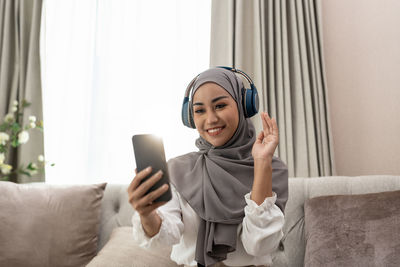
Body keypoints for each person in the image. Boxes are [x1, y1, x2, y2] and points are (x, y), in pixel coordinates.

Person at [127, 67, 288, 267]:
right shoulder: (177, 170)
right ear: (190, 118)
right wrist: (146, 214)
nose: (210, 119)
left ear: (243, 105)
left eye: (220, 105)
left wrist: (262, 163)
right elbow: (166, 236)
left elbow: (259, 245)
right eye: (200, 110)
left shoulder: (272, 168)